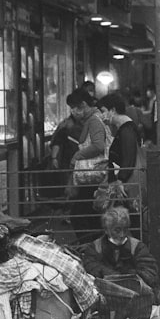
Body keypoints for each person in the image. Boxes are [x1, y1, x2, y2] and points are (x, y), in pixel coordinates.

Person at [79, 205, 160, 296]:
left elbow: (150, 273)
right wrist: (113, 275)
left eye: (125, 230)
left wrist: (128, 276)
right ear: (106, 230)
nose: (122, 235)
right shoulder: (95, 248)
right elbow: (90, 269)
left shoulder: (137, 247)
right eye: (117, 231)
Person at [68, 88, 111, 244]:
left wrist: (78, 155)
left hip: (93, 176)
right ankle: (94, 247)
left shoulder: (93, 121)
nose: (73, 112)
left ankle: (90, 248)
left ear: (83, 105)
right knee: (89, 215)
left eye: (74, 107)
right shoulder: (96, 119)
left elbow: (98, 146)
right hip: (94, 177)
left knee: (79, 215)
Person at [49, 92, 84, 187]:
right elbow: (57, 141)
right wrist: (54, 158)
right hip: (69, 161)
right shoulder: (66, 125)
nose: (75, 110)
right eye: (72, 108)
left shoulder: (93, 123)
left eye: (78, 107)